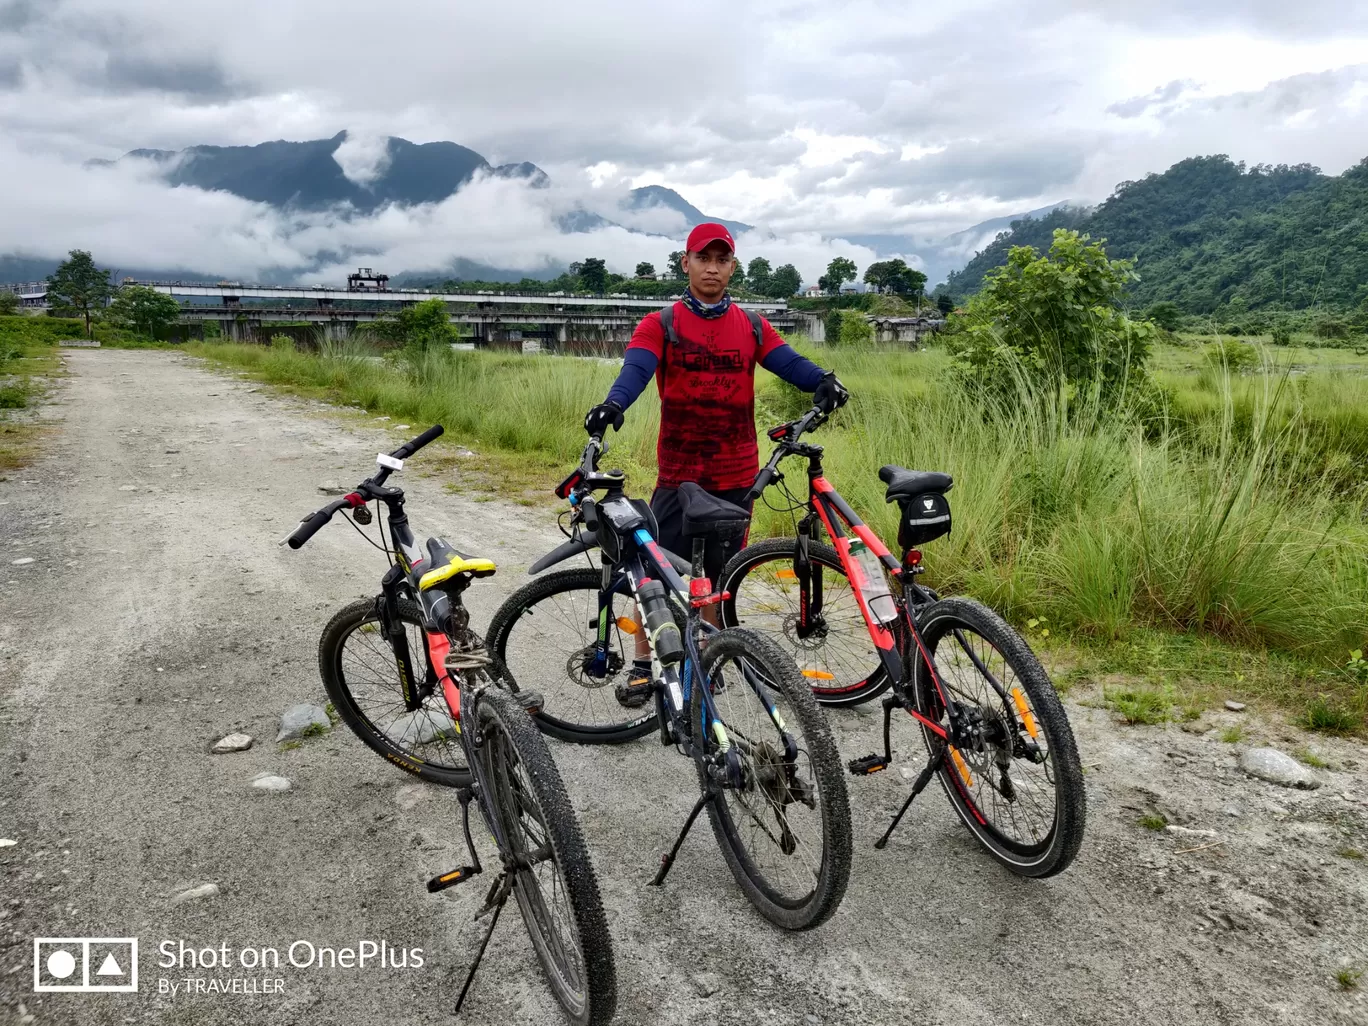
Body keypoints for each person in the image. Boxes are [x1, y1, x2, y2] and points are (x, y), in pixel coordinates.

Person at [582, 222, 848, 707]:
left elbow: (787, 361)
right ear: (685, 263)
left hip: (736, 472)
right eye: (703, 258)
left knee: (721, 576)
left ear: (731, 266)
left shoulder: (750, 325)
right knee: (660, 572)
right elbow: (636, 370)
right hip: (681, 473)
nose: (712, 267)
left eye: (722, 259)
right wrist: (613, 405)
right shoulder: (660, 324)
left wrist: (822, 380)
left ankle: (706, 657)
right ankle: (647, 665)